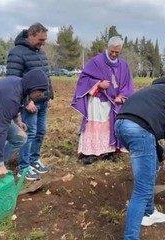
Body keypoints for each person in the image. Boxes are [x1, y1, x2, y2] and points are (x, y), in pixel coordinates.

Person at [115, 77, 165, 240]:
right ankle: (130, 237)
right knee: (142, 189)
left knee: (154, 160)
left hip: (121, 125)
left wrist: (160, 151)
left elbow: (152, 121)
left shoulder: (154, 91)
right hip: (140, 130)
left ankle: (150, 212)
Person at [71, 36, 134, 164]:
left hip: (114, 103)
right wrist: (98, 84)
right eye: (112, 51)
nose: (114, 54)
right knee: (95, 125)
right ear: (108, 47)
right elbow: (83, 79)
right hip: (97, 101)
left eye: (117, 52)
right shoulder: (96, 62)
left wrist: (122, 96)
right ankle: (91, 153)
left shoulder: (123, 65)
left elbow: (128, 84)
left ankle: (109, 150)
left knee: (110, 126)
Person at [6, 22, 54, 180]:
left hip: (43, 100)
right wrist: (26, 101)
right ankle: (23, 166)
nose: (43, 42)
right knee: (29, 133)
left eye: (45, 39)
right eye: (41, 39)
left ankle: (34, 160)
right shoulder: (17, 52)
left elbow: (45, 76)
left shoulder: (41, 52)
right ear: (31, 35)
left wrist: (50, 95)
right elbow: (13, 80)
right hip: (30, 102)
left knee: (41, 132)